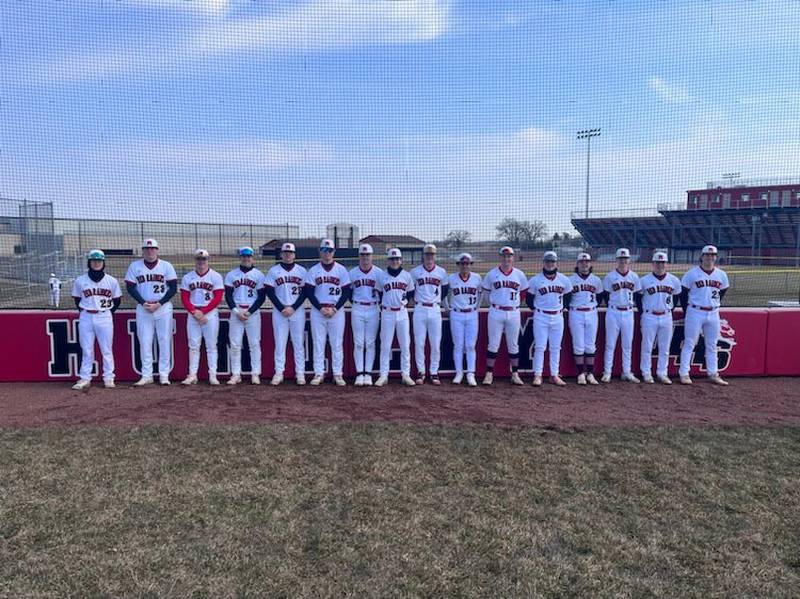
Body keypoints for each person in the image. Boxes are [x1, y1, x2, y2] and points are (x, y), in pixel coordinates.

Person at [125, 239, 178, 386]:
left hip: (163, 308)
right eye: (147, 249)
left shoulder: (166, 266)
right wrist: (143, 302)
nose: (150, 251)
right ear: (143, 250)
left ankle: (164, 375)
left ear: (157, 250)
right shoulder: (135, 266)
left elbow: (173, 288)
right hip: (144, 307)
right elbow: (130, 287)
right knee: (145, 341)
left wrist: (159, 303)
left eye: (153, 249)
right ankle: (147, 374)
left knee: (164, 340)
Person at [678, 245, 731, 385]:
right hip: (695, 311)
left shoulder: (721, 274)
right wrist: (687, 311)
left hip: (713, 312)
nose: (710, 257)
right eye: (707, 255)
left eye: (712, 255)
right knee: (690, 343)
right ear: (701, 257)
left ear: (715, 257)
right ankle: (684, 373)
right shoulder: (692, 273)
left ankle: (713, 373)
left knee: (712, 345)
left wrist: (713, 303)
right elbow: (683, 294)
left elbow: (722, 291)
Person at [70, 250, 122, 390]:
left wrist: (106, 312)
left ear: (103, 262)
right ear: (89, 262)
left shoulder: (111, 281)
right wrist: (87, 310)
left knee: (106, 349)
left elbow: (116, 300)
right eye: (94, 261)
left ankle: (108, 378)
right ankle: (85, 378)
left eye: (99, 261)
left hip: (104, 316)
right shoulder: (80, 280)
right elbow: (77, 299)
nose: (97, 263)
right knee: (86, 349)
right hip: (86, 316)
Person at [305, 239, 351, 385]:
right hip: (318, 311)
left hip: (336, 311)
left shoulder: (341, 270)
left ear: (334, 252)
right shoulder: (313, 270)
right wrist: (320, 308)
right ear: (320, 252)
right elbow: (309, 293)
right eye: (324, 250)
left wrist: (335, 309)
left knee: (337, 343)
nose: (327, 254)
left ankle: (338, 374)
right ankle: (319, 373)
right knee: (318, 343)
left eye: (329, 250)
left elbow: (346, 293)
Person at [481, 246, 528, 386]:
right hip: (496, 311)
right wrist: (497, 304)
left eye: (509, 256)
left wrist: (513, 303)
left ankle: (515, 374)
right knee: (493, 344)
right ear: (500, 257)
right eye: (504, 256)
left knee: (513, 345)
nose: (506, 259)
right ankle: (489, 374)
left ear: (513, 258)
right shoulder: (491, 274)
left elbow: (523, 293)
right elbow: (486, 295)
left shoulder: (519, 274)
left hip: (513, 312)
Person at [265, 243, 308, 386]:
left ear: (294, 255)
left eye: (290, 252)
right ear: (281, 254)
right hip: (279, 312)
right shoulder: (273, 271)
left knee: (298, 343)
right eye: (285, 252)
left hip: (297, 311)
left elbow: (305, 292)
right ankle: (279, 373)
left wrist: (293, 307)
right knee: (280, 343)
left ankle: (300, 373)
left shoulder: (301, 271)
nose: (288, 255)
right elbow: (270, 292)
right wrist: (281, 307)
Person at [526, 251, 572, 386]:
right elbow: (529, 299)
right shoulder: (535, 280)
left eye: (552, 261)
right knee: (540, 347)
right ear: (543, 263)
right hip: (541, 316)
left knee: (555, 347)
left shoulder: (564, 279)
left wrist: (563, 307)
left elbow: (568, 296)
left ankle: (554, 374)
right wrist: (537, 310)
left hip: (557, 316)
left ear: (556, 263)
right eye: (547, 261)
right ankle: (538, 375)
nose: (550, 264)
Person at [636, 251, 682, 384]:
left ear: (666, 264)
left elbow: (676, 297)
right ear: (653, 264)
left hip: (666, 316)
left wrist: (669, 310)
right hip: (649, 315)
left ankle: (662, 373)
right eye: (657, 263)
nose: (660, 265)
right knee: (647, 346)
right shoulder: (644, 280)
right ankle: (646, 373)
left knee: (664, 347)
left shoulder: (673, 280)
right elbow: (638, 299)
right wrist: (643, 312)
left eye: (662, 263)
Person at [180, 249, 224, 386]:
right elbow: (184, 297)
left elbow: (217, 298)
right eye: (199, 259)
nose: (201, 262)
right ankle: (192, 375)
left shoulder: (215, 276)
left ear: (208, 260)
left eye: (204, 259)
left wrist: (203, 312)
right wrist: (194, 312)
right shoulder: (188, 277)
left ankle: (213, 375)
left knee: (211, 346)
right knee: (193, 346)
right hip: (193, 313)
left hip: (209, 313)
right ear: (195, 261)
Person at [224, 247, 267, 385]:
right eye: (243, 256)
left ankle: (255, 373)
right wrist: (236, 311)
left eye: (248, 256)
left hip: (252, 313)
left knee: (254, 344)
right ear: (240, 258)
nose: (246, 259)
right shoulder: (232, 274)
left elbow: (261, 297)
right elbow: (228, 296)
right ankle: (236, 374)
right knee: (235, 344)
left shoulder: (259, 275)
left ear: (252, 258)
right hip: (236, 312)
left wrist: (249, 311)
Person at [375, 248, 416, 387]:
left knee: (405, 345)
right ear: (388, 260)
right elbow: (379, 293)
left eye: (397, 259)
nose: (395, 261)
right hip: (387, 313)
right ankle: (383, 375)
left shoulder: (406, 275)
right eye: (392, 259)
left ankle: (406, 374)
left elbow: (410, 293)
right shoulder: (382, 276)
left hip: (402, 312)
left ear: (401, 260)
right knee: (385, 345)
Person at [601, 248, 642, 383]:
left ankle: (626, 372)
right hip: (613, 312)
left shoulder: (634, 276)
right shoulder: (610, 276)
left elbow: (637, 295)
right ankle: (607, 372)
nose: (623, 261)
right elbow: (606, 296)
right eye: (621, 259)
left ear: (629, 260)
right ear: (616, 260)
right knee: (610, 344)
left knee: (627, 344)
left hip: (628, 312)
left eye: (625, 259)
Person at [349, 243, 383, 386]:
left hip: (373, 308)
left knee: (369, 343)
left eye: (367, 255)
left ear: (372, 256)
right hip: (357, 307)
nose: (365, 258)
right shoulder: (352, 273)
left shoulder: (379, 273)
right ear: (359, 256)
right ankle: (359, 373)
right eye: (362, 255)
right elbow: (348, 293)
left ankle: (367, 373)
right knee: (358, 343)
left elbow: (382, 292)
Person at [446, 253, 481, 386]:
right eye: (462, 263)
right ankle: (459, 372)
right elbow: (444, 294)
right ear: (458, 265)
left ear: (470, 265)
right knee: (458, 345)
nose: (465, 266)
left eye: (467, 263)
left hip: (472, 314)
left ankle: (471, 373)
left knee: (471, 345)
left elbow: (481, 295)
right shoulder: (451, 278)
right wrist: (447, 308)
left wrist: (476, 309)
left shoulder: (477, 278)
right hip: (456, 314)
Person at [568, 253, 602, 385]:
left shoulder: (596, 280)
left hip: (592, 313)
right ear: (577, 264)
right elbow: (566, 298)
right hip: (576, 313)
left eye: (587, 262)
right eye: (582, 262)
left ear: (590, 264)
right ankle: (580, 374)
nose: (584, 264)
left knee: (590, 345)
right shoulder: (570, 280)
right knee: (578, 345)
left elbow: (600, 298)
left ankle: (590, 374)